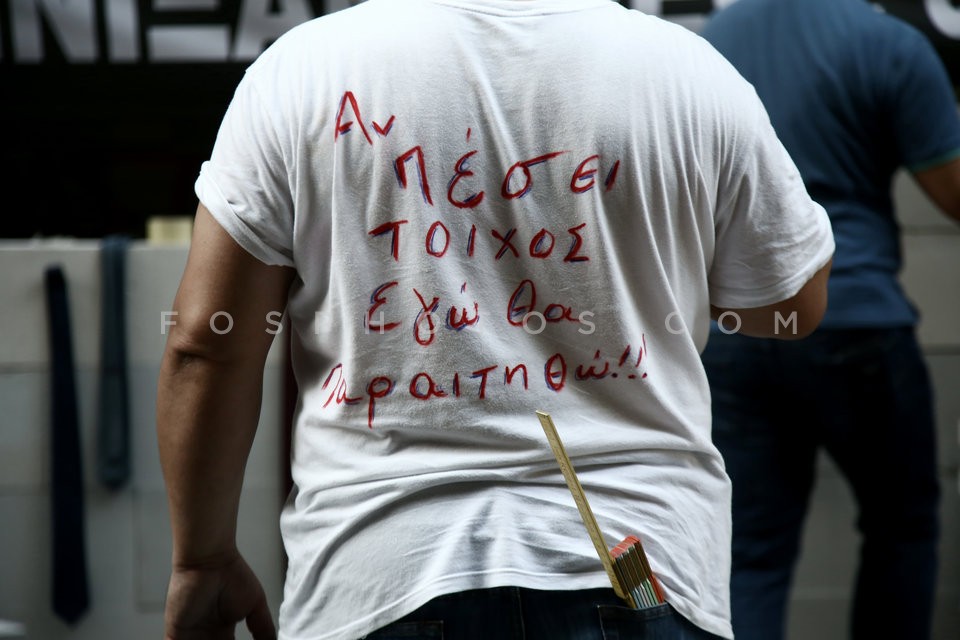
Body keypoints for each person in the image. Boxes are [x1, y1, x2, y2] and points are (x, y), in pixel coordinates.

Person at [156, 1, 834, 639]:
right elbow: (790, 307)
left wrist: (203, 559)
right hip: (641, 572)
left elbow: (207, 343)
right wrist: (657, 289)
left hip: (377, 577)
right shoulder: (690, 74)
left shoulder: (303, 71)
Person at [698, 1, 960, 639]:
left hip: (738, 327)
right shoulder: (886, 45)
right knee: (902, 526)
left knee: (753, 546)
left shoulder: (708, 48)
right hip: (857, 319)